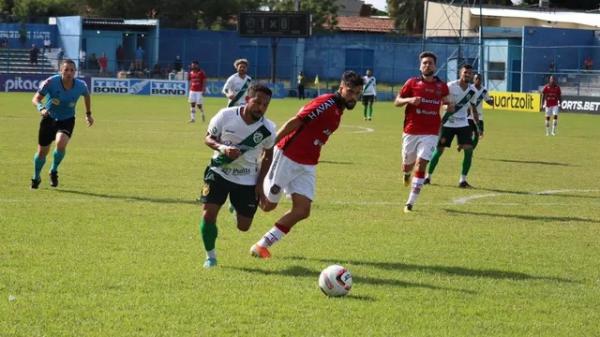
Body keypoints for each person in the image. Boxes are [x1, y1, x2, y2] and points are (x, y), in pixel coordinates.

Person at [249, 70, 364, 259]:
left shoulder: (339, 109)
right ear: (341, 88)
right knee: (268, 205)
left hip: (308, 163)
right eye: (351, 92)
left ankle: (262, 245)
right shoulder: (326, 102)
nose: (354, 97)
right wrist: (271, 145)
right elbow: (296, 121)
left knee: (302, 210)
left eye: (358, 93)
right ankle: (242, 188)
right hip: (288, 156)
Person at [198, 83, 276, 268]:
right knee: (208, 215)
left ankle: (234, 206)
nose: (261, 108)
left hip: (247, 179)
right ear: (248, 99)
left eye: (265, 105)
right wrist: (223, 148)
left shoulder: (268, 128)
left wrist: (260, 182)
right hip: (219, 172)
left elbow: (268, 154)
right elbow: (208, 138)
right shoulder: (225, 115)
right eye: (257, 102)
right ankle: (211, 257)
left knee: (244, 227)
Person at [394, 51, 451, 213]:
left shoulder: (442, 86)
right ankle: (406, 174)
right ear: (420, 66)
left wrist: (448, 106)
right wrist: (409, 100)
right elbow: (397, 101)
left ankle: (410, 203)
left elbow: (447, 102)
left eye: (430, 63)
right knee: (408, 165)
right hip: (411, 131)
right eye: (424, 63)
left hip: (431, 132)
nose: (427, 65)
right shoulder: (412, 83)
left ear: (435, 66)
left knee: (422, 163)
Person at [30, 59, 94, 189]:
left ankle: (53, 171)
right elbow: (36, 99)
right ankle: (36, 177)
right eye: (66, 70)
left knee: (61, 143)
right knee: (42, 152)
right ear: (61, 71)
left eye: (72, 70)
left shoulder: (81, 85)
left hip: (67, 120)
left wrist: (88, 114)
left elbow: (87, 96)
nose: (69, 73)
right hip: (49, 119)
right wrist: (41, 108)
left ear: (75, 72)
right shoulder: (51, 82)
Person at [425, 64, 480, 189]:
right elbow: (441, 102)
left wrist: (477, 126)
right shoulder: (450, 86)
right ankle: (428, 177)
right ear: (460, 73)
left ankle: (463, 180)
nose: (467, 75)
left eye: (470, 73)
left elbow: (473, 109)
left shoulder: (472, 91)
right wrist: (446, 107)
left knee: (469, 150)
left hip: (463, 123)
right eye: (465, 72)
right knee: (439, 151)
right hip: (448, 123)